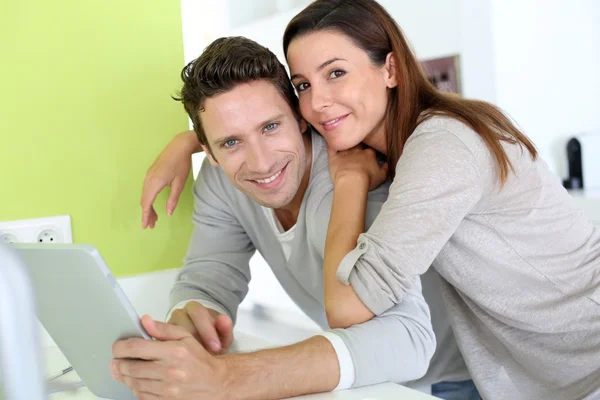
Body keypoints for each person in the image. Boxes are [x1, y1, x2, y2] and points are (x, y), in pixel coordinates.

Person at [111, 36, 480, 400]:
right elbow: (208, 275)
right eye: (231, 142)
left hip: (449, 382)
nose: (262, 163)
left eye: (271, 127)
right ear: (208, 152)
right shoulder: (220, 181)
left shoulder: (353, 175)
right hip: (363, 387)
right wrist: (190, 322)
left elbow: (408, 339)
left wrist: (227, 378)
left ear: (302, 119)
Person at [281, 1, 600, 399]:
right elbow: (259, 125)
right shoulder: (397, 142)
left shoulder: (443, 145)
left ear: (391, 70)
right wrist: (193, 141)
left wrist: (348, 182)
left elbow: (347, 308)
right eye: (303, 85)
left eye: (336, 73)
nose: (317, 103)